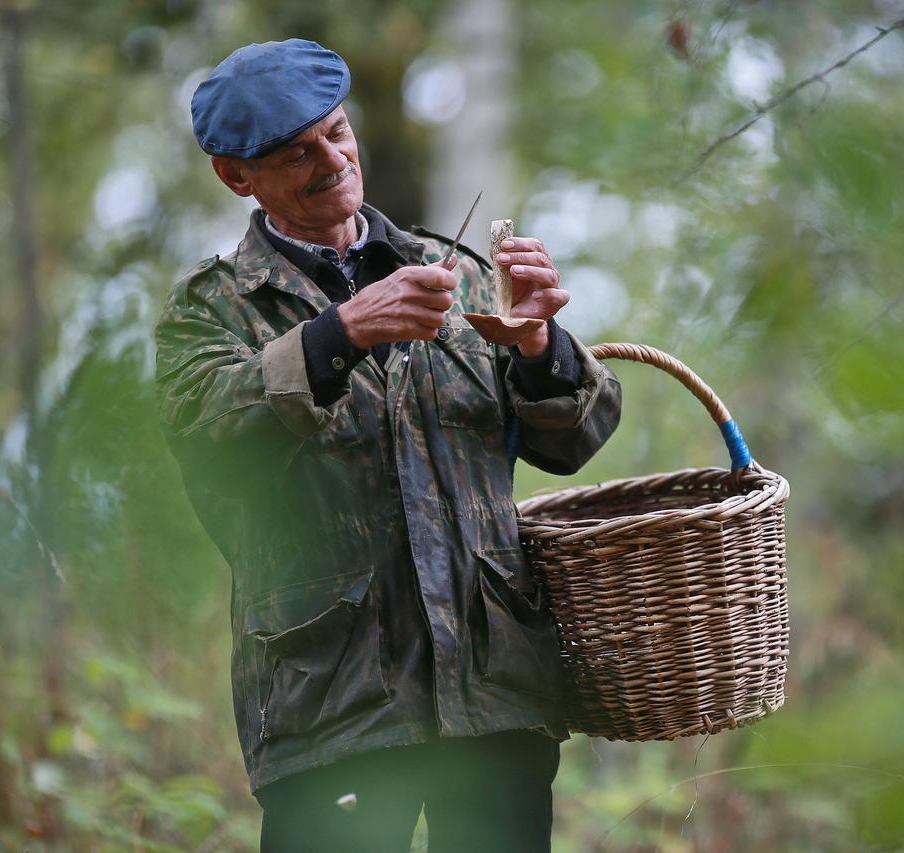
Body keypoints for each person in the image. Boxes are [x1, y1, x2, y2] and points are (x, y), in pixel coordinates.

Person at [153, 38, 621, 852]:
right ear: (236, 176)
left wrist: (541, 346)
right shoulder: (212, 307)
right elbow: (208, 439)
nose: (331, 159)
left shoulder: (461, 273)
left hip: (495, 690)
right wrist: (339, 334)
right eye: (296, 153)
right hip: (332, 704)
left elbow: (576, 439)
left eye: (336, 133)